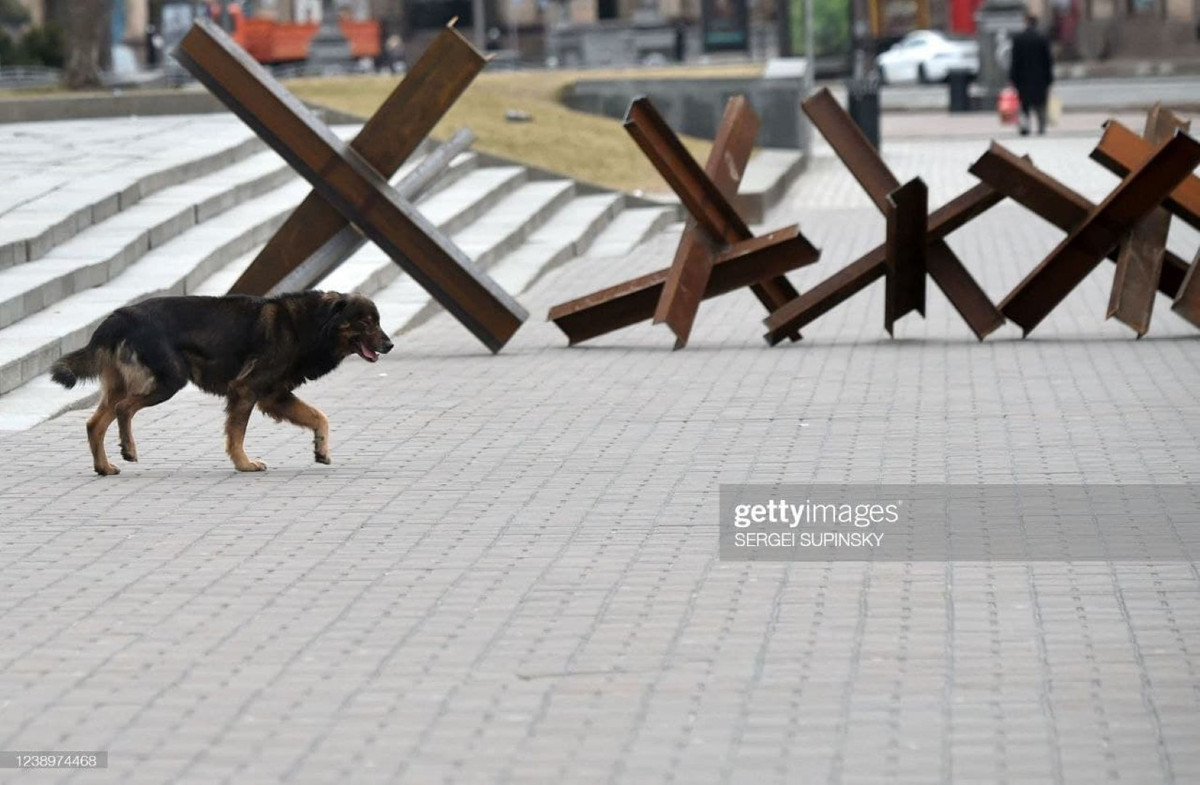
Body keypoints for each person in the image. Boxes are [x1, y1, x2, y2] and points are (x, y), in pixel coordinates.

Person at [1008, 13, 1054, 135]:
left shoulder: (1018, 39)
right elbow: (1048, 61)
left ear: (1025, 23)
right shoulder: (1042, 38)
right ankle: (1041, 127)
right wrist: (1049, 79)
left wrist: (1012, 78)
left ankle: (1025, 126)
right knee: (1040, 104)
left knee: (1024, 105)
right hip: (1040, 78)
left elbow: (1015, 61)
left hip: (1023, 79)